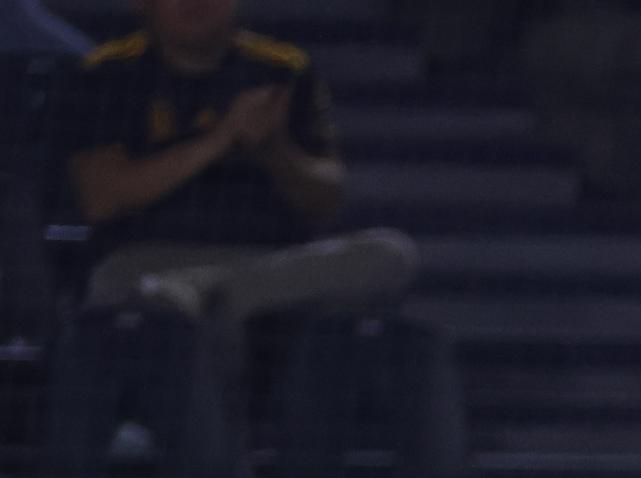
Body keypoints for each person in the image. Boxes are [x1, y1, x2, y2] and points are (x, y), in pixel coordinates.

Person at [68, 0, 417, 331]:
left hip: (273, 262)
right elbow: (102, 198)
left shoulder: (283, 69)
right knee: (120, 285)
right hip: (149, 257)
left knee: (391, 254)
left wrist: (274, 149)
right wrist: (220, 139)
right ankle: (211, 298)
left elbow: (327, 201)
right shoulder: (109, 71)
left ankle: (206, 292)